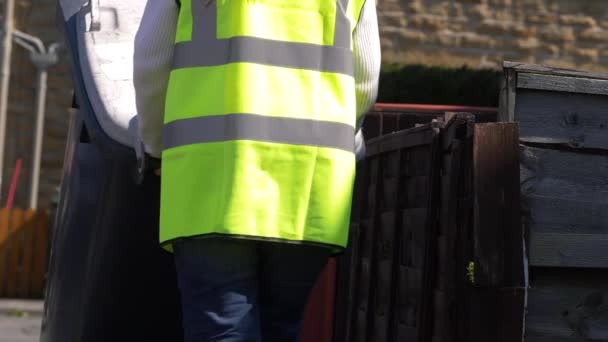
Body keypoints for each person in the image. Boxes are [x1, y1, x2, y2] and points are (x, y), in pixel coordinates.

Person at [133, 0, 380, 340]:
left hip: (213, 176)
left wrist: (156, 146)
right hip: (310, 182)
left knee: (223, 329)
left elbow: (151, 61)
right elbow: (365, 78)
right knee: (281, 327)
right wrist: (342, 136)